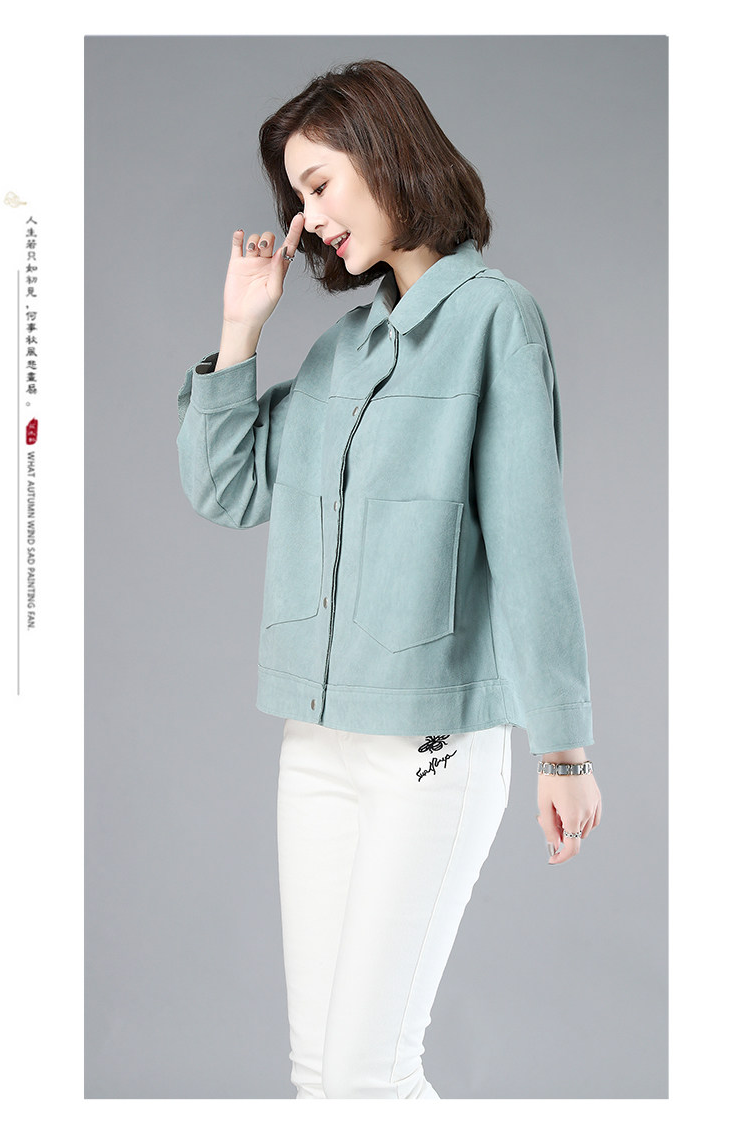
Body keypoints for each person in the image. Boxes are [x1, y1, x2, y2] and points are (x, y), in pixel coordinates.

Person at [176, 59, 603, 1100]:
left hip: (431, 750)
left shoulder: (496, 319)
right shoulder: (343, 352)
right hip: (317, 745)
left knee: (370, 1073)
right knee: (319, 1075)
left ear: (386, 152)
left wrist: (562, 748)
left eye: (319, 183)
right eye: (296, 195)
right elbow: (227, 489)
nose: (307, 218)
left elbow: (531, 542)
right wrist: (239, 331)